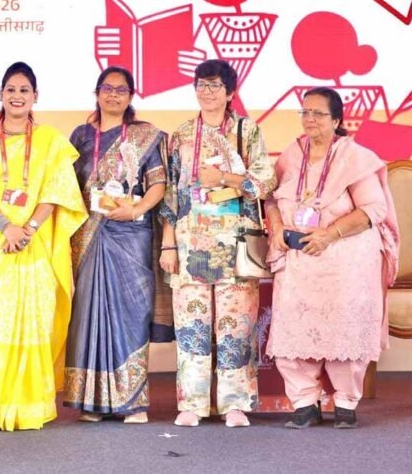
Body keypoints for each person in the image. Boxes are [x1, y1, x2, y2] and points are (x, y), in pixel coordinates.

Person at [265, 87, 399, 429]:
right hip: (298, 259)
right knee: (294, 330)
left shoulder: (356, 157)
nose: (309, 119)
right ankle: (304, 403)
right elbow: (271, 198)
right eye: (305, 112)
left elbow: (373, 209)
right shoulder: (292, 154)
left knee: (343, 331)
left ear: (337, 120)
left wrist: (330, 234)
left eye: (318, 113)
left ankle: (345, 402)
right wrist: (277, 226)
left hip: (344, 258)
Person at [0, 61, 87, 431]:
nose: (17, 96)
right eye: (11, 90)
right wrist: (6, 227)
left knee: (36, 319)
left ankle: (30, 406)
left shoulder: (51, 140)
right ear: (1, 94)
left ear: (35, 96)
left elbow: (56, 191)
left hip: (35, 242)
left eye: (24, 90)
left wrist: (29, 228)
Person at [159, 59, 276, 428]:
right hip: (191, 241)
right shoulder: (181, 134)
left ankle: (235, 403)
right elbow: (170, 194)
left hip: (236, 242)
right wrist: (168, 244)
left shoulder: (247, 130)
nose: (206, 92)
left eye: (214, 85)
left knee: (236, 324)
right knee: (191, 323)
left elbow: (265, 181)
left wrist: (225, 177)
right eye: (201, 84)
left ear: (230, 92)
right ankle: (192, 403)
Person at [63, 66, 168, 424]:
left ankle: (132, 402)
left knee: (131, 314)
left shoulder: (145, 135)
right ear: (97, 93)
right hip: (89, 236)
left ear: (131, 96)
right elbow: (66, 186)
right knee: (88, 315)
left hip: (131, 233)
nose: (113, 95)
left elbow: (158, 183)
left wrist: (136, 209)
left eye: (121, 90)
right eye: (107, 88)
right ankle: (92, 401)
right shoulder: (80, 136)